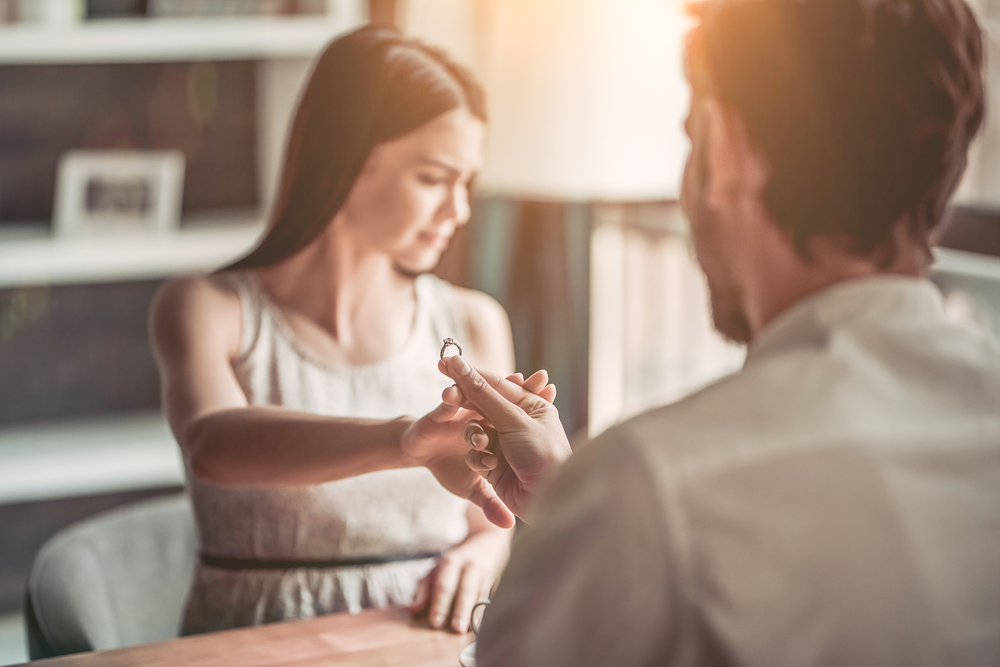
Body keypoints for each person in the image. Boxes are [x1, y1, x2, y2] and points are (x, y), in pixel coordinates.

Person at [436, 0, 1000, 664]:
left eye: (691, 136)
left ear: (728, 148)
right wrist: (575, 500)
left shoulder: (649, 481)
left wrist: (593, 511)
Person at [149, 26, 536, 635]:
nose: (458, 211)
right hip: (252, 643)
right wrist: (405, 441)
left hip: (422, 642)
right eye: (434, 178)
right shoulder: (207, 307)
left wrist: (483, 553)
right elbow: (213, 445)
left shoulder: (472, 322)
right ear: (348, 159)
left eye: (467, 184)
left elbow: (491, 520)